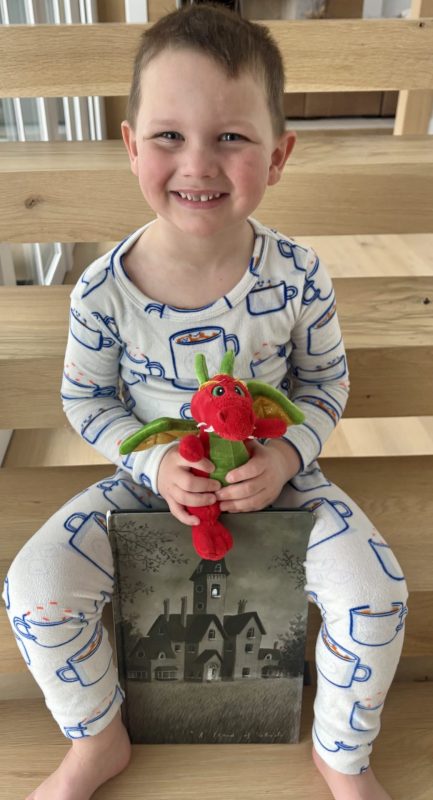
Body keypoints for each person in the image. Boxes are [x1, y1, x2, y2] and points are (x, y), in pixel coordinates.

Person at [2, 5, 408, 800]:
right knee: (35, 586)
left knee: (376, 594)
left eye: (230, 136)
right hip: (147, 486)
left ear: (277, 155)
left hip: (283, 482)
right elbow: (87, 401)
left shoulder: (297, 273)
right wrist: (154, 462)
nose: (198, 163)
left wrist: (284, 455)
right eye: (168, 135)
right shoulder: (102, 290)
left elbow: (325, 384)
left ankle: (342, 754)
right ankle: (97, 738)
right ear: (130, 146)